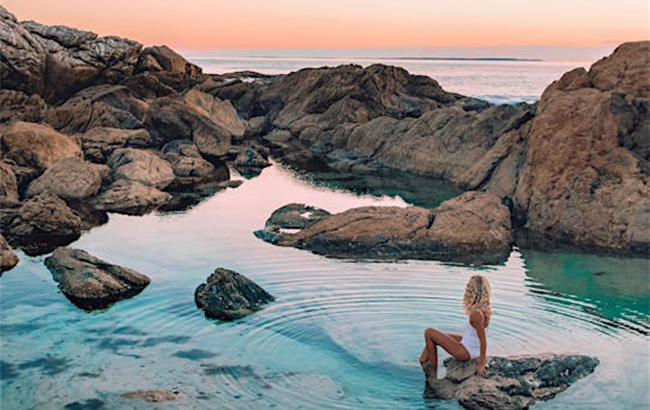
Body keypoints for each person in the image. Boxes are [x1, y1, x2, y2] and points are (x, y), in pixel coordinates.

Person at [419, 274, 491, 377]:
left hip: (467, 351)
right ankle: (423, 360)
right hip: (471, 346)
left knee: (429, 332)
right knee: (443, 336)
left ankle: (433, 372)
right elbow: (477, 337)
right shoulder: (485, 311)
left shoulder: (476, 314)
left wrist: (481, 364)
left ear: (470, 291)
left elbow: (483, 341)